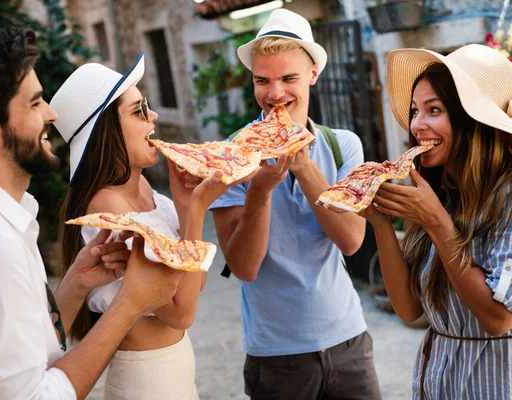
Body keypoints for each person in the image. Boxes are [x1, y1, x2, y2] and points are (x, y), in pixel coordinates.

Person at [0, 26, 186, 400]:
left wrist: (75, 285)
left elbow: (29, 345)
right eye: (35, 102)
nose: (52, 114)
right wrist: (128, 305)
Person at [50, 53, 256, 400]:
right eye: (138, 111)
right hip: (146, 379)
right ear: (108, 132)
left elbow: (196, 282)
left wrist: (186, 201)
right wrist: (200, 206)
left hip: (172, 369)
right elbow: (181, 312)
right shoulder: (108, 206)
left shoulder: (144, 188)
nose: (154, 116)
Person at [209, 8, 381, 400]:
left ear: (313, 76)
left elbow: (352, 241)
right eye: (262, 81)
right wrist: (260, 190)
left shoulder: (343, 145)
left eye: (289, 78)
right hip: (276, 354)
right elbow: (244, 267)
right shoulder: (231, 155)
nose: (275, 94)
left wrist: (303, 165)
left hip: (349, 340)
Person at [325, 44, 512, 400]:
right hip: (438, 380)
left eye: (434, 110)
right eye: (414, 111)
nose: (416, 125)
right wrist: (380, 224)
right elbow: (409, 308)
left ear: (473, 121)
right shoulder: (438, 190)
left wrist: (436, 223)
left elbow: (499, 319)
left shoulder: (506, 196)